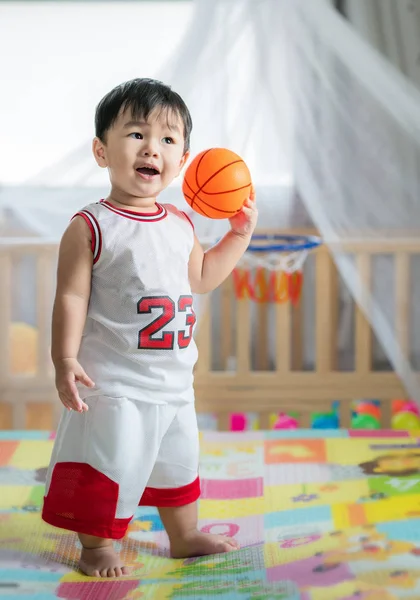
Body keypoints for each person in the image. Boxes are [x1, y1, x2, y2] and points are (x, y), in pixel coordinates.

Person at [41, 78, 258, 578]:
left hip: (173, 380)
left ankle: (183, 536)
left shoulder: (181, 223)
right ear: (102, 151)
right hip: (114, 381)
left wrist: (238, 236)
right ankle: (97, 548)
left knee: (179, 462)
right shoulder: (91, 225)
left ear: (182, 161)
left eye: (166, 140)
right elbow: (71, 296)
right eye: (136, 135)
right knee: (108, 467)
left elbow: (202, 278)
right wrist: (64, 359)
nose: (151, 149)